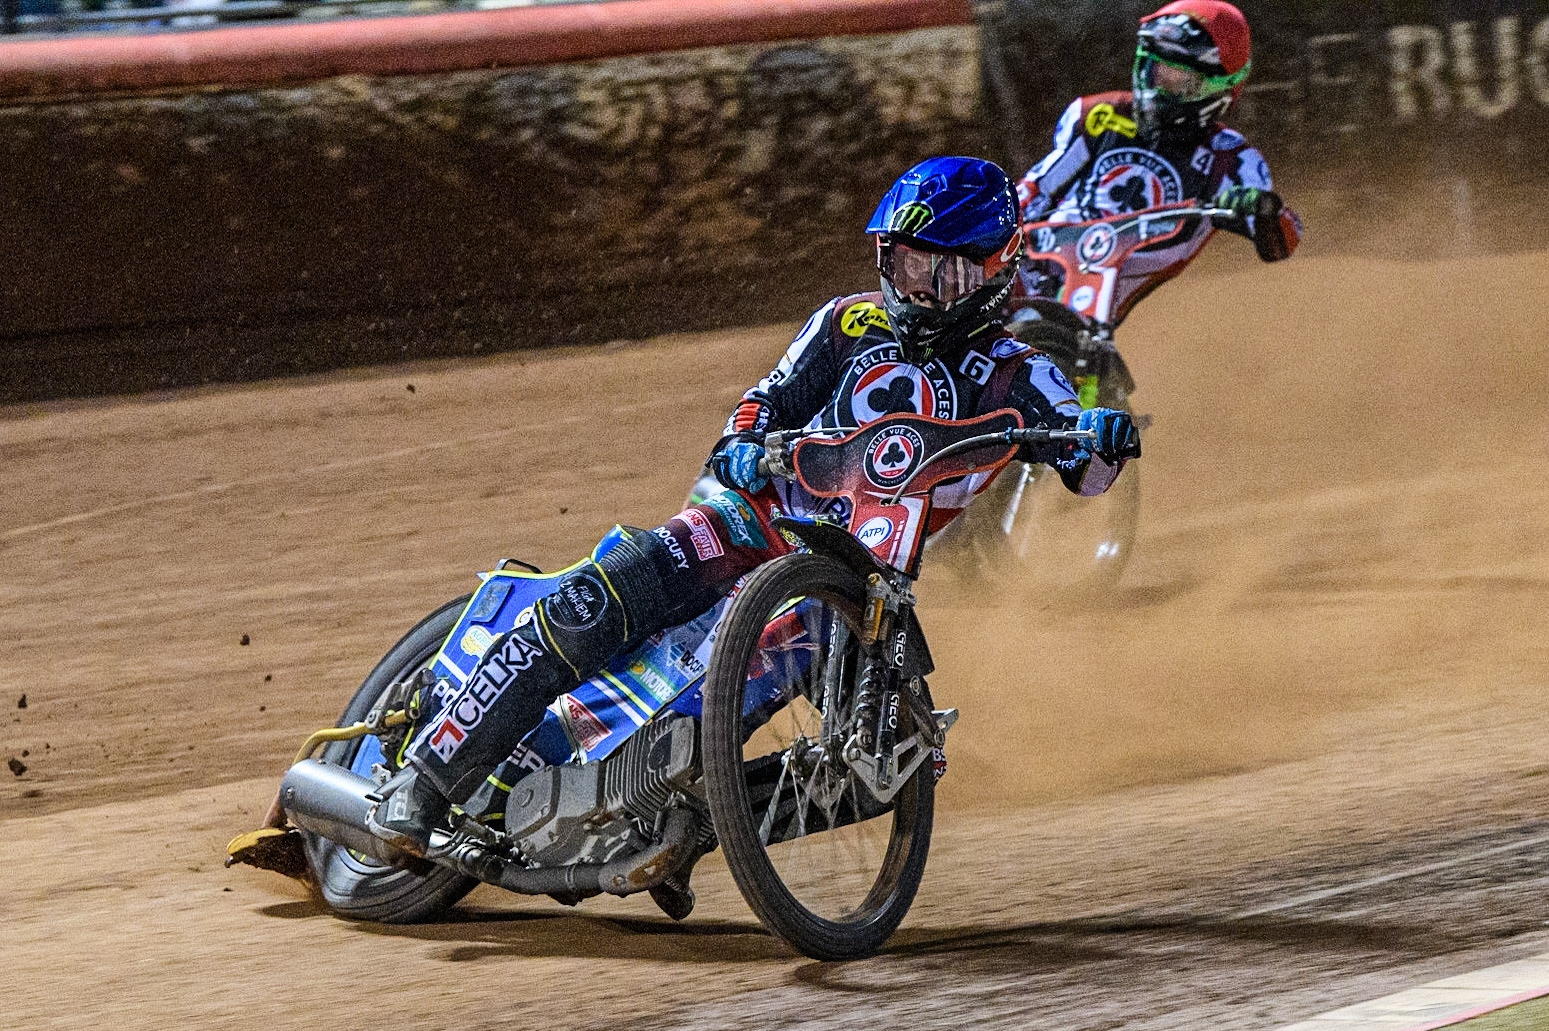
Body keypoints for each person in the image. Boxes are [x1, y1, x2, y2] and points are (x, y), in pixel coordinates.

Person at [366, 156, 1142, 905]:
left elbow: (1084, 465)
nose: (917, 289)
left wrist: (1099, 438)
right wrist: (742, 440)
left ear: (995, 271)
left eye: (943, 273)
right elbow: (762, 400)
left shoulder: (1017, 370)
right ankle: (424, 782)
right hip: (751, 519)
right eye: (904, 263)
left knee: (884, 767)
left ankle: (686, 823)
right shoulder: (845, 322)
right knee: (591, 603)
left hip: (860, 585)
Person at [1015, 0, 1301, 319]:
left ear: (1219, 89)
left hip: (1093, 304)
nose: (1157, 90)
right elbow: (1032, 191)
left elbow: (1281, 243)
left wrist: (1261, 210)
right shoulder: (1099, 113)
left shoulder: (1231, 161)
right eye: (1156, 69)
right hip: (1034, 262)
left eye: (1178, 80)